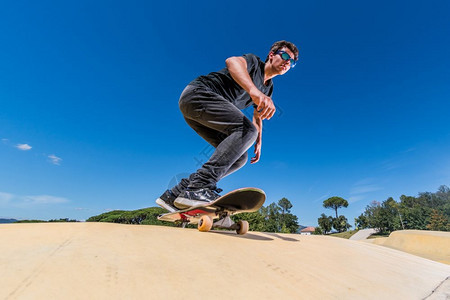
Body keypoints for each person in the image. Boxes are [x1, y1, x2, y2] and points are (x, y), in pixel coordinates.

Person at [156, 40, 299, 212]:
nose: (287, 62)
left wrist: (259, 141)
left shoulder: (268, 89)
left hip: (198, 114)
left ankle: (176, 193)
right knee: (246, 131)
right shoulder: (254, 63)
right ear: (271, 55)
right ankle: (198, 188)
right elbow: (232, 61)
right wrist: (254, 91)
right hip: (198, 95)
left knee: (240, 157)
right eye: (284, 56)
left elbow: (257, 114)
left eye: (291, 62)